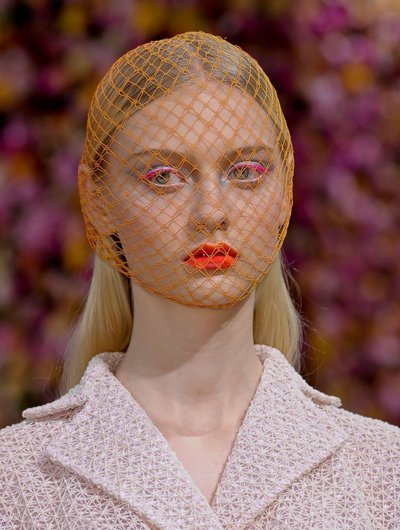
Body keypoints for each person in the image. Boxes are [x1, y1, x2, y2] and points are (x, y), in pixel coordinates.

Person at [0, 31, 399, 529]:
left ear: (284, 190)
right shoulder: (16, 480)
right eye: (164, 176)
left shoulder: (382, 474)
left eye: (246, 171)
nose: (211, 212)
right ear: (97, 200)